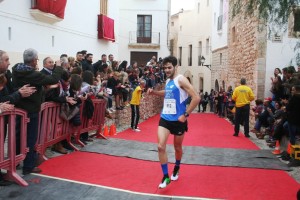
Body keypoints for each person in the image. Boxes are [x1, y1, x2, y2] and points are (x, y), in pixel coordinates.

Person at [147, 56, 200, 189]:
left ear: (176, 67)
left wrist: (186, 115)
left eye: (169, 67)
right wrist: (154, 92)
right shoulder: (168, 80)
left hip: (178, 120)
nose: (166, 70)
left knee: (177, 147)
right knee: (160, 146)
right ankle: (165, 176)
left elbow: (196, 98)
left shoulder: (181, 79)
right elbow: (167, 93)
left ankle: (176, 167)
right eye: (165, 68)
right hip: (165, 118)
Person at [12, 48, 64, 175]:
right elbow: (53, 79)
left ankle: (15, 162)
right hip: (31, 110)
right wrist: (58, 67)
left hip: (19, 108)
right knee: (31, 138)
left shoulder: (16, 70)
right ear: (34, 60)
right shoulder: (32, 74)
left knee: (18, 136)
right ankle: (28, 165)